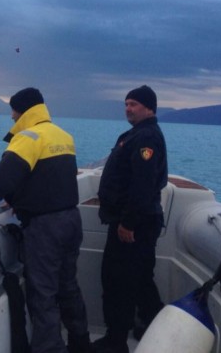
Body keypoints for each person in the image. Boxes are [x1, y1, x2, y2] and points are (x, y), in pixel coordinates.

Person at [0, 88, 91, 353]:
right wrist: (19, 198)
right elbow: (49, 177)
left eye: (13, 110)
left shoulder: (27, 137)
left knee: (43, 294)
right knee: (68, 286)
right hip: (71, 220)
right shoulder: (63, 136)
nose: (11, 116)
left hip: (45, 228)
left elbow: (5, 179)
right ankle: (81, 343)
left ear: (22, 111)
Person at [92, 85, 168, 353]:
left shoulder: (146, 139)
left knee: (117, 280)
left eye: (134, 104)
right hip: (138, 222)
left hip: (133, 225)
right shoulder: (138, 135)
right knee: (139, 278)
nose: (128, 108)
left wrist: (128, 223)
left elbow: (142, 186)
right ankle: (153, 325)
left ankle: (115, 342)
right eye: (126, 104)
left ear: (149, 108)